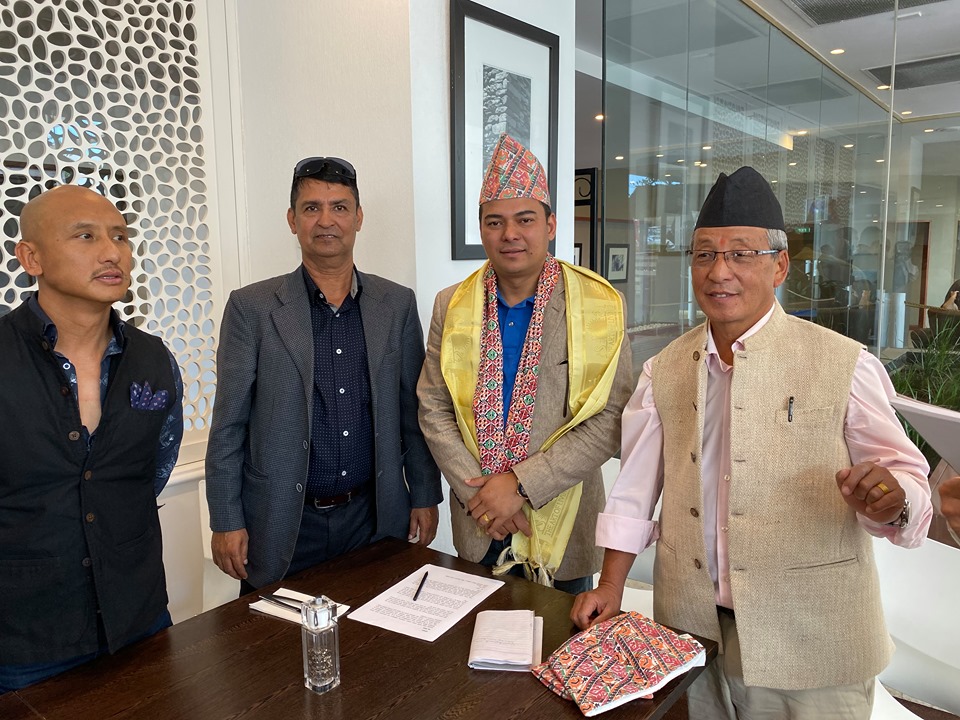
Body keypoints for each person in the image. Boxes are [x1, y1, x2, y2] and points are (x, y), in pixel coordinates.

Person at [571, 166, 932, 719]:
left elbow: (908, 482)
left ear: (780, 265)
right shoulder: (664, 369)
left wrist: (893, 499)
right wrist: (611, 585)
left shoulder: (842, 364)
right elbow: (634, 491)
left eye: (741, 254)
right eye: (704, 255)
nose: (720, 272)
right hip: (691, 631)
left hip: (811, 640)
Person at [205, 156, 441, 595]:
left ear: (358, 218)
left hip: (371, 517)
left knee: (374, 631)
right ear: (292, 220)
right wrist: (225, 518)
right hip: (283, 521)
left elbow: (415, 411)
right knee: (273, 637)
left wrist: (425, 494)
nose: (326, 220)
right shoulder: (252, 308)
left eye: (340, 207)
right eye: (312, 208)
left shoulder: (396, 304)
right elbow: (228, 425)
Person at [417, 134, 633, 594]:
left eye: (525, 219)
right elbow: (433, 406)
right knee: (475, 638)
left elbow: (610, 416)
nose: (510, 234)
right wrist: (482, 497)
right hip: (479, 524)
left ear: (550, 225)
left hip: (564, 521)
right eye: (495, 222)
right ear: (481, 229)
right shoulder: (451, 304)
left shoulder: (595, 305)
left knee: (561, 639)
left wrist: (519, 485)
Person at [0, 185, 183, 692]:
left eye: (120, 236)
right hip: (24, 638)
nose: (111, 252)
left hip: (139, 617)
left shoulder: (153, 358)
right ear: (31, 257)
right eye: (86, 236)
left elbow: (153, 468)